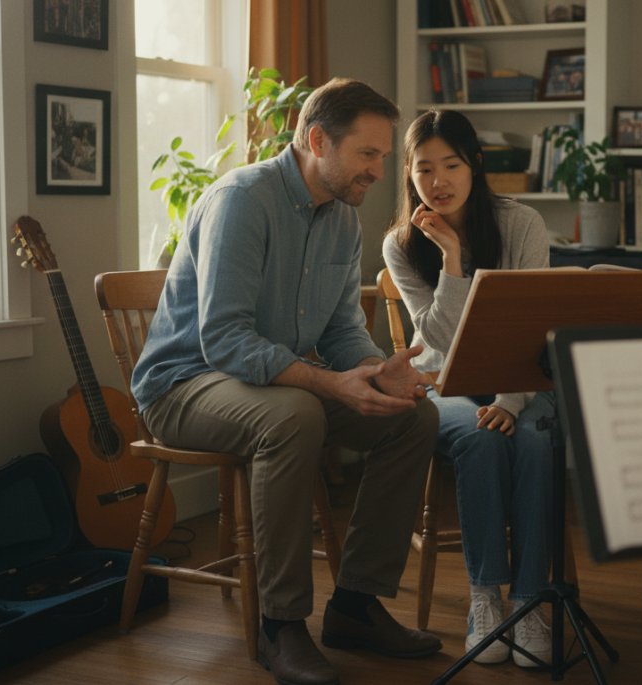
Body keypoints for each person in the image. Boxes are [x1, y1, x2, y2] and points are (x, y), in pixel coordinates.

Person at [130, 77, 441, 685]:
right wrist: (330, 386)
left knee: (413, 417)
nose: (380, 172)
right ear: (317, 139)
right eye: (369, 154)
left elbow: (341, 333)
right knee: (295, 415)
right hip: (183, 383)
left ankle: (354, 605)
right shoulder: (243, 200)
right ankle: (281, 625)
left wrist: (379, 372)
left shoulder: (343, 220)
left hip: (266, 386)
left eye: (383, 156)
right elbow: (223, 340)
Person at [381, 109, 555, 668]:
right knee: (480, 441)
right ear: (408, 175)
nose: (438, 182)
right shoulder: (402, 244)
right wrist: (451, 259)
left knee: (532, 440)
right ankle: (486, 598)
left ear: (475, 164)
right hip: (444, 383)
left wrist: (508, 401)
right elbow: (439, 338)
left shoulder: (522, 224)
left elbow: (531, 329)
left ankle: (529, 602)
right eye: (423, 169)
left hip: (518, 380)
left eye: (451, 165)